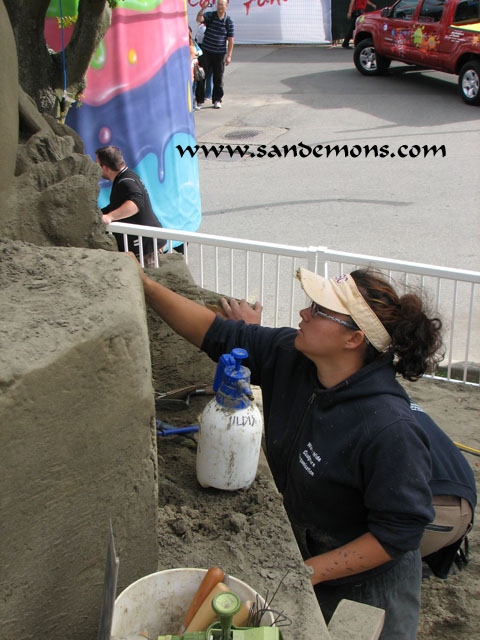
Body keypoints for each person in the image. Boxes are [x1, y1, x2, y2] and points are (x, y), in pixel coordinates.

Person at [132, 261, 475, 638]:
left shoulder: (386, 429)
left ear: (353, 339)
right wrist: (145, 284)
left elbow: (397, 533)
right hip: (324, 536)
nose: (303, 313)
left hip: (374, 573)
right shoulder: (293, 358)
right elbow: (215, 332)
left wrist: (309, 571)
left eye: (318, 310)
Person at [96, 146, 166, 265]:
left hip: (146, 249)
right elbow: (116, 205)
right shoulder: (125, 178)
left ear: (105, 167)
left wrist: (110, 217)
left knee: (147, 282)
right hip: (144, 245)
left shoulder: (126, 181)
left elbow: (135, 203)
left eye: (97, 164)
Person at [195, 0, 234, 109]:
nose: (220, 7)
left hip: (220, 54)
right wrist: (202, 9)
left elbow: (231, 40)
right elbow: (199, 19)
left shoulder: (228, 21)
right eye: (218, 5)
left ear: (226, 6)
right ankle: (199, 101)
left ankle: (217, 100)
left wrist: (229, 55)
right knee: (202, 76)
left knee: (218, 78)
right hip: (207, 52)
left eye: (222, 5)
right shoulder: (210, 16)